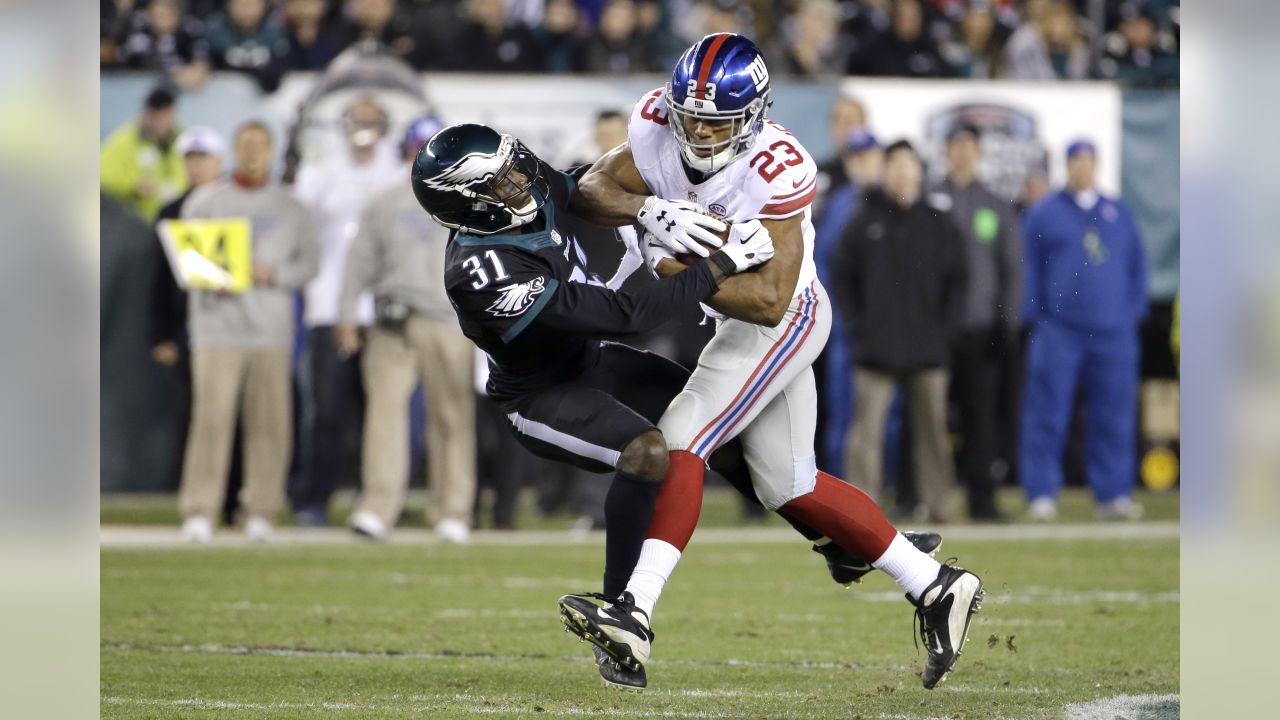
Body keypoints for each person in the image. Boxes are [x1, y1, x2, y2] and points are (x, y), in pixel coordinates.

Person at [413, 122, 937, 690]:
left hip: (591, 361)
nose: (521, 180)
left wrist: (647, 209)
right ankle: (619, 619)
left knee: (726, 433)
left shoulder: (525, 187)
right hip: (538, 395)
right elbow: (626, 317)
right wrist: (717, 265)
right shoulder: (479, 274)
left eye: (515, 164)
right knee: (648, 453)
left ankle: (842, 541)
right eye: (501, 181)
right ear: (465, 204)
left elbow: (584, 189)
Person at [559, 34, 981, 691]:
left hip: (785, 319)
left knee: (683, 436)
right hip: (733, 316)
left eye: (714, 119)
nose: (697, 131)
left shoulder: (777, 166)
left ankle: (634, 612)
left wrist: (676, 264)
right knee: (791, 486)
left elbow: (766, 299)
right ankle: (935, 584)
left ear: (751, 118)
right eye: (689, 114)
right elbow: (588, 189)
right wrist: (650, 207)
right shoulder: (653, 125)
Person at [177, 121, 319, 542]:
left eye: (260, 145)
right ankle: (200, 510)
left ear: (271, 150)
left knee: (270, 425)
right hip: (217, 328)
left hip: (270, 330)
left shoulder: (292, 207)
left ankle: (261, 509)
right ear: (235, 149)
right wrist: (212, 274)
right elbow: (187, 260)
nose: (253, 152)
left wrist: (272, 273)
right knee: (211, 421)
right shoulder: (206, 201)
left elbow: (310, 264)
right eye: (245, 145)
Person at [337, 116, 477, 542]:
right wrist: (346, 315)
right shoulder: (385, 202)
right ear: (405, 151)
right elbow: (358, 261)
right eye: (418, 147)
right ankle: (378, 507)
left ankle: (453, 510)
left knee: (452, 416)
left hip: (450, 321)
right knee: (384, 415)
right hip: (393, 321)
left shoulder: (470, 202)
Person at [831, 140, 968, 523]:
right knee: (865, 436)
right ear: (886, 173)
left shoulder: (940, 224)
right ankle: (861, 510)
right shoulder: (863, 221)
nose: (904, 174)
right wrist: (858, 326)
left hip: (928, 349)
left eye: (910, 167)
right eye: (896, 167)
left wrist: (946, 332)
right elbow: (841, 278)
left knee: (934, 435)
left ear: (921, 173)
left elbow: (959, 280)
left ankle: (940, 505)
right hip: (876, 348)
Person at [290, 97, 404, 527]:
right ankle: (314, 496)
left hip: (382, 310)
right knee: (328, 411)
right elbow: (301, 228)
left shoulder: (395, 174)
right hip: (329, 306)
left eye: (371, 120)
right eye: (357, 119)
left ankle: (375, 496)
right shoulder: (321, 172)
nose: (363, 127)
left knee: (381, 413)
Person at [1020, 140, 1148, 520]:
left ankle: (1112, 493)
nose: (1082, 167)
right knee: (1047, 411)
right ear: (1067, 165)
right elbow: (1030, 269)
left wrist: (1129, 315)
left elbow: (1138, 268)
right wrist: (1038, 319)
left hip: (1113, 333)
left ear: (1097, 165)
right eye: (1075, 160)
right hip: (1060, 331)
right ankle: (1041, 492)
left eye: (1088, 161)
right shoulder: (1045, 214)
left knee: (1114, 414)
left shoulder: (1118, 213)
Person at [927, 123, 1020, 521]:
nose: (962, 153)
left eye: (968, 146)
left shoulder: (995, 203)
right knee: (929, 418)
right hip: (935, 331)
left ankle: (984, 501)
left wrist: (1008, 323)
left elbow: (1011, 268)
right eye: (956, 146)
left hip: (981, 329)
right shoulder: (931, 199)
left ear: (978, 153)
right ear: (946, 152)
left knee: (981, 419)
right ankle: (928, 498)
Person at [100, 85, 187, 223]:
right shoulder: (124, 141)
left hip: (176, 215)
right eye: (154, 115)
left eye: (164, 115)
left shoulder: (184, 138)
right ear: (145, 113)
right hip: (135, 220)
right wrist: (134, 185)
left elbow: (188, 173)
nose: (159, 122)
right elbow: (103, 177)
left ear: (172, 113)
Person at [846, 0, 955, 78]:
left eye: (912, 18)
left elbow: (949, 75)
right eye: (902, 16)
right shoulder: (875, 48)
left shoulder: (928, 46)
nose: (907, 22)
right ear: (892, 18)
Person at [203, 0, 290, 91]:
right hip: (223, 95)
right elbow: (204, 64)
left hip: (266, 100)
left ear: (263, 5)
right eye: (240, 4)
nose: (246, 11)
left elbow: (281, 71)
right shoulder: (214, 31)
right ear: (229, 5)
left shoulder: (276, 31)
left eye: (251, 5)